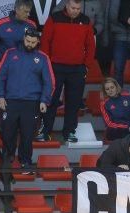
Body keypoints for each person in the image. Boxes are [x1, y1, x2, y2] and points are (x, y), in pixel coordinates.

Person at [0, 27, 53, 174]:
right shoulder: (10, 53)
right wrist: (0, 96)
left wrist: (44, 101)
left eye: (33, 42)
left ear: (38, 41)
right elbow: (0, 76)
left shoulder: (43, 57)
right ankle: (7, 162)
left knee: (27, 135)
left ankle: (25, 162)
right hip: (10, 101)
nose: (30, 44)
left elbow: (49, 82)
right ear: (23, 38)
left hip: (31, 103)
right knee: (8, 134)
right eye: (28, 41)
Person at [39, 0, 95, 143]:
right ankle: (45, 131)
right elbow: (45, 41)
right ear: (67, 5)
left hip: (77, 69)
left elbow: (90, 45)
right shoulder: (54, 18)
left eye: (78, 8)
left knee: (74, 102)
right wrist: (47, 64)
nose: (75, 11)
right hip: (55, 67)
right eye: (73, 8)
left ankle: (69, 132)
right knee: (50, 100)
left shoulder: (86, 20)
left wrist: (86, 65)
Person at [0, 0, 35, 73]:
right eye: (26, 12)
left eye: (28, 11)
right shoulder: (1, 24)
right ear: (17, 9)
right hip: (1, 59)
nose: (28, 14)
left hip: (20, 64)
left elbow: (35, 48)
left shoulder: (31, 26)